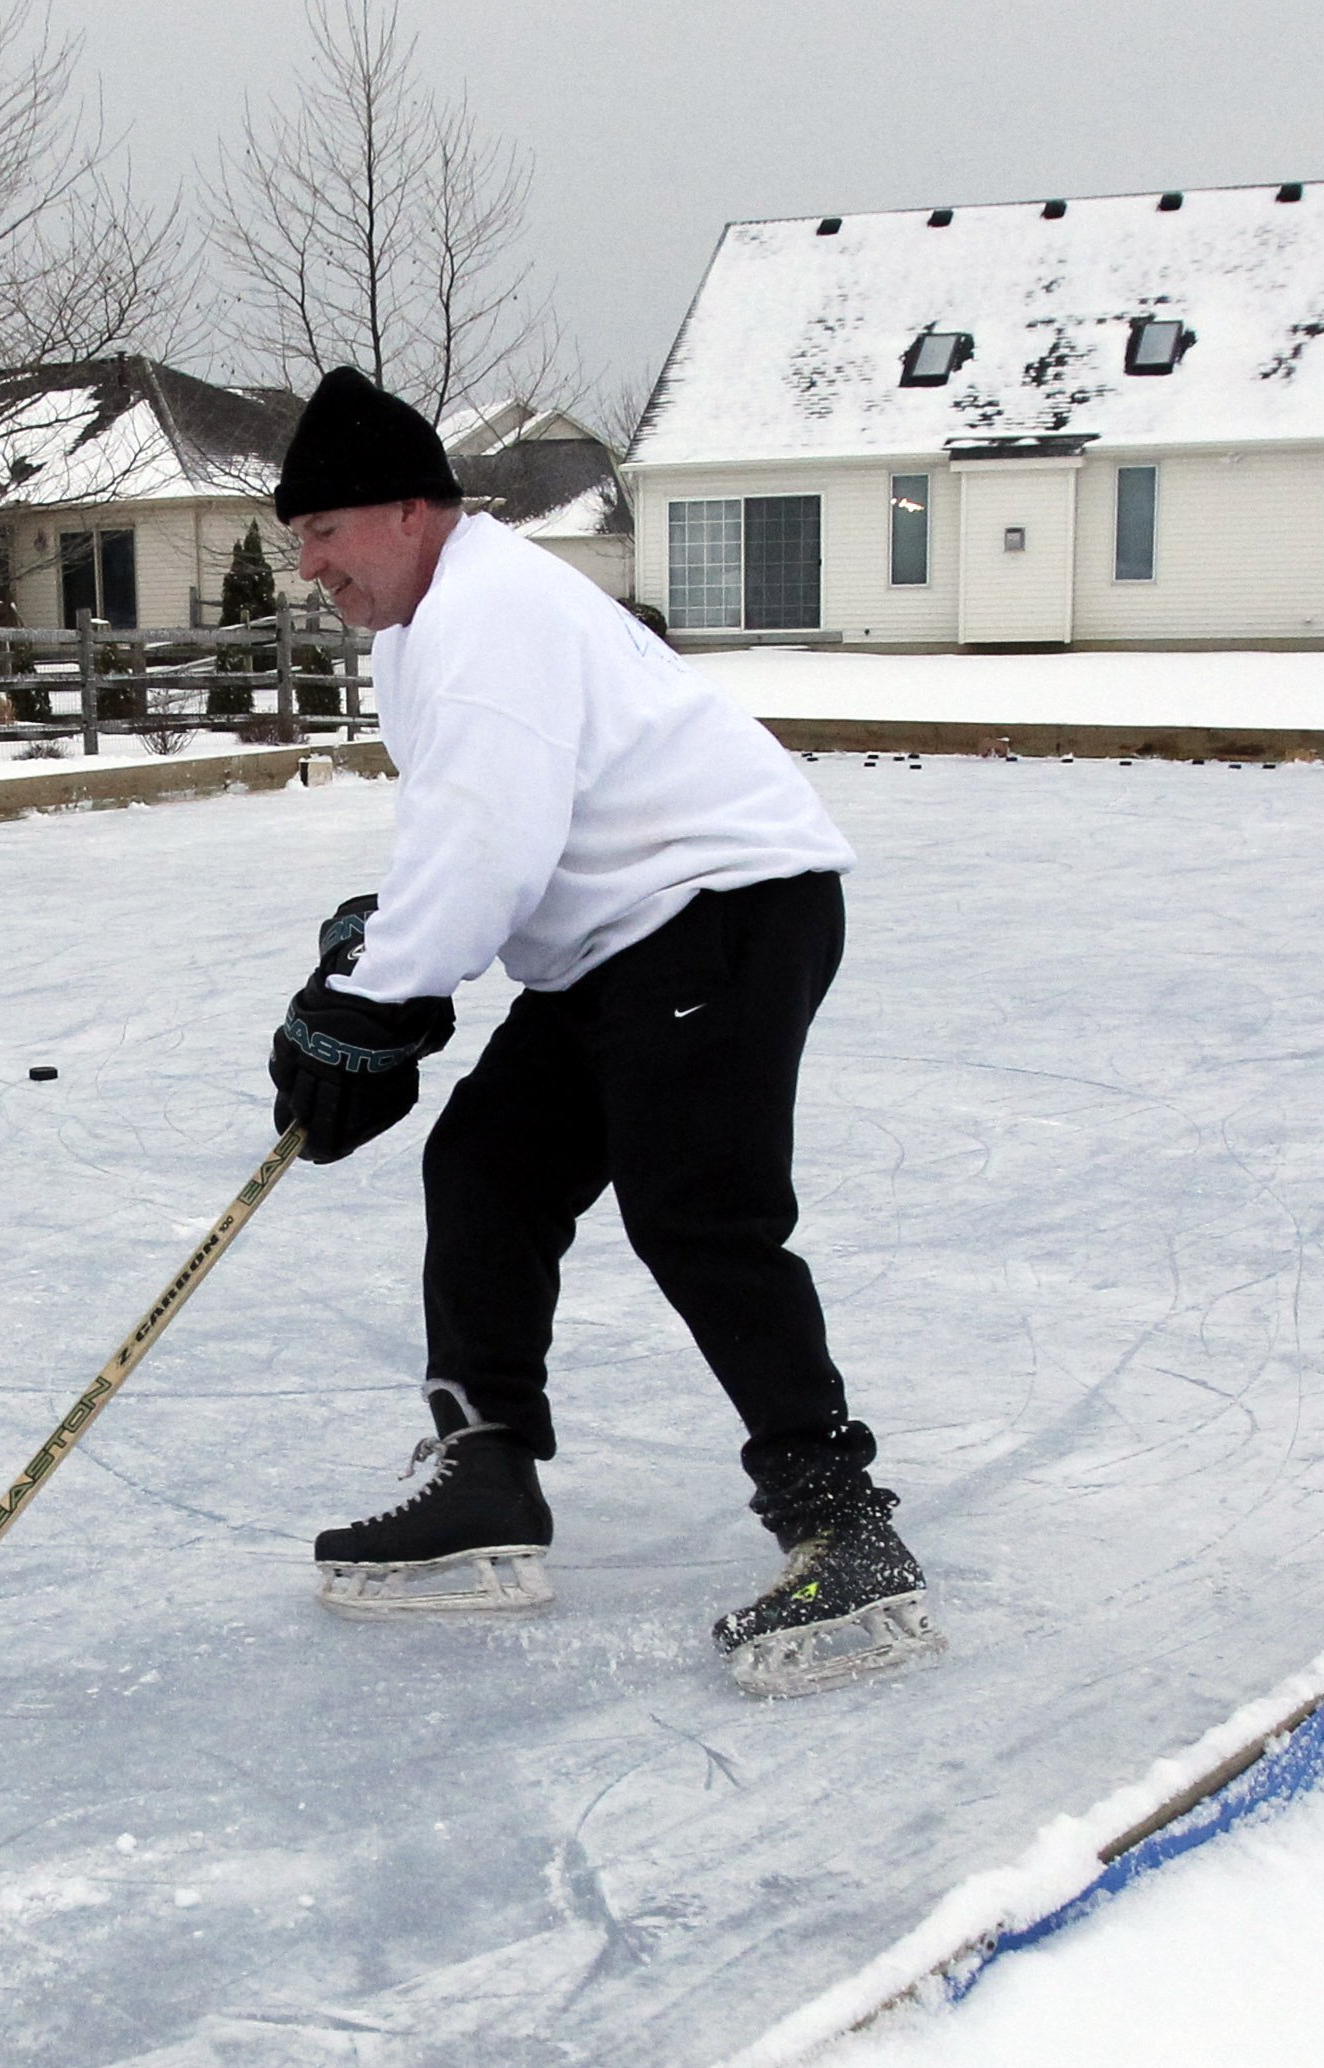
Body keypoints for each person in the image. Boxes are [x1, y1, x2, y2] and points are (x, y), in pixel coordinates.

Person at [256, 367, 938, 1700]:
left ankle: (843, 1525)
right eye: (300, 545)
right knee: (488, 1168)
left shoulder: (485, 613)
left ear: (410, 511)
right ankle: (487, 1473)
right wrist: (385, 948)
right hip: (624, 938)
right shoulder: (430, 624)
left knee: (699, 1209)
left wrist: (372, 1003)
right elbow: (467, 831)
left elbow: (493, 844)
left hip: (717, 912)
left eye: (326, 533)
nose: (313, 567)